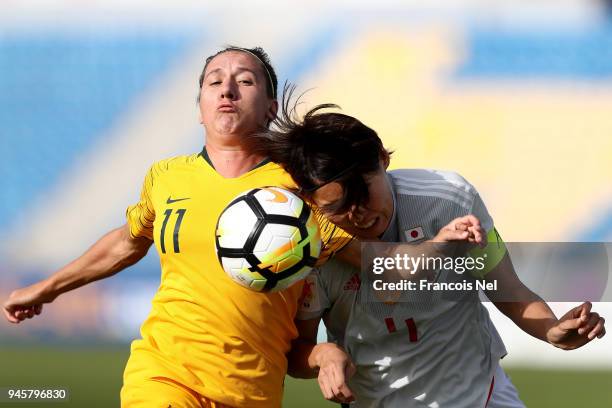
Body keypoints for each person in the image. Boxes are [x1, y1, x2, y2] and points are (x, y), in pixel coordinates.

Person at [2, 47, 346, 408]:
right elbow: (126, 243)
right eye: (215, 82)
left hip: (252, 392)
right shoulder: (166, 177)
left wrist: (325, 353)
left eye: (244, 81)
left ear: (271, 108)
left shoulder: (303, 191)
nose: (227, 90)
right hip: (163, 376)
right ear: (200, 108)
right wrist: (47, 288)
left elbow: (362, 256)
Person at [249, 97, 607, 407]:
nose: (358, 212)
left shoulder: (449, 200)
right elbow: (298, 352)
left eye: (365, 192)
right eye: (339, 206)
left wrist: (552, 329)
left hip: (481, 396)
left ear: (383, 158)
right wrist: (324, 355)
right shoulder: (305, 247)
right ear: (312, 201)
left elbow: (509, 290)